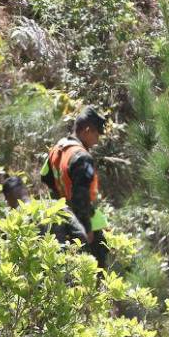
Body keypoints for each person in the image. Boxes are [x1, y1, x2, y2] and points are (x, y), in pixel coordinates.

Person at [42, 106, 110, 266]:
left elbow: (45, 176)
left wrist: (61, 201)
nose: (97, 140)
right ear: (87, 130)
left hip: (62, 219)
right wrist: (87, 229)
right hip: (83, 223)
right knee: (95, 270)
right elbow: (81, 196)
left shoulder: (58, 148)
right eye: (96, 134)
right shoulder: (82, 157)